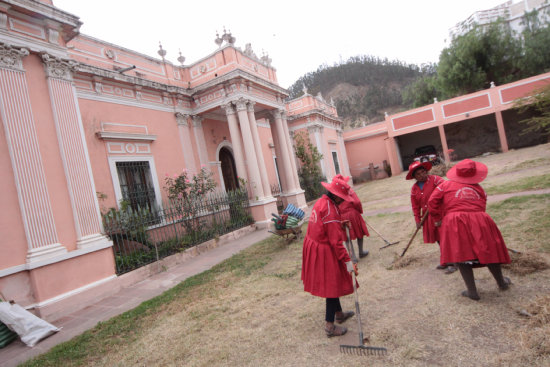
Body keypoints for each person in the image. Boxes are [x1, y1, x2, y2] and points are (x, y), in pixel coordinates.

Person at [428, 159, 512, 301]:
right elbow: (483, 203)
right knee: (488, 250)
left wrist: (438, 218)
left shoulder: (445, 185)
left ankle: (472, 291)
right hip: (480, 220)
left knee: (461, 253)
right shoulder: (479, 188)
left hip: (454, 221)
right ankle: (501, 283)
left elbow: (432, 201)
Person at [301, 178, 358, 337]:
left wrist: (339, 224)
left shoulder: (322, 201)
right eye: (342, 198)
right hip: (324, 250)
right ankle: (329, 326)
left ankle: (339, 314)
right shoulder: (331, 210)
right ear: (336, 196)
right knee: (332, 285)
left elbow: (325, 225)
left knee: (334, 281)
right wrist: (348, 262)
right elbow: (337, 243)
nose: (343, 201)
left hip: (316, 245)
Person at [406, 161, 456, 274]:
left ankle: (453, 262)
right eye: (418, 174)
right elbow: (415, 206)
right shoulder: (414, 189)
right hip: (428, 217)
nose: (422, 175)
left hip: (441, 213)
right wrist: (417, 220)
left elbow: (447, 188)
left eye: (423, 172)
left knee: (445, 238)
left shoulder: (436, 180)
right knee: (439, 238)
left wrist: (436, 201)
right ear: (414, 177)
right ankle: (446, 260)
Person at [333, 174, 370, 258]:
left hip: (341, 216)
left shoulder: (334, 194)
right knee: (359, 233)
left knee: (347, 237)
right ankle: (360, 252)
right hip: (352, 214)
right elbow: (357, 202)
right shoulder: (348, 190)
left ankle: (353, 257)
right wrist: (359, 211)